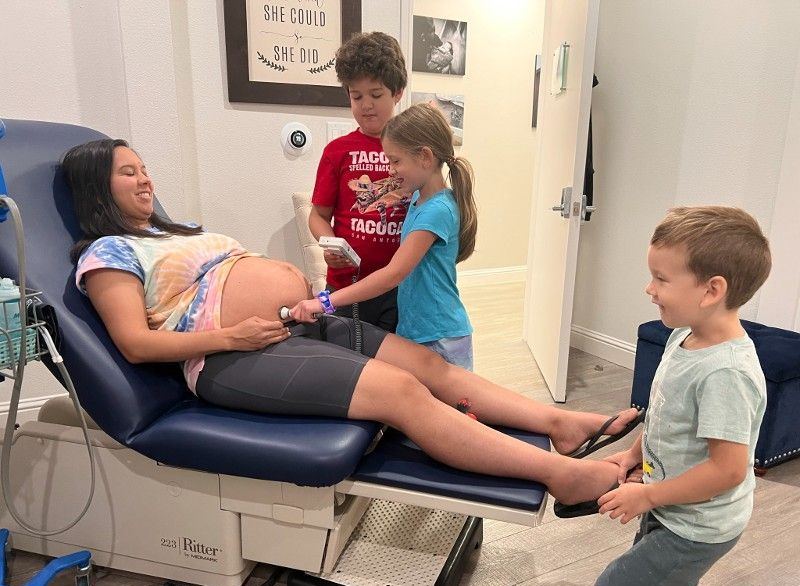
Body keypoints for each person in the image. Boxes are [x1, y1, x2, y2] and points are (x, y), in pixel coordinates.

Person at [61, 137, 644, 508]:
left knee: (428, 365)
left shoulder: (174, 230)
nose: (145, 180)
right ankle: (557, 474)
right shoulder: (107, 253)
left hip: (294, 324)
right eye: (127, 173)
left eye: (144, 168)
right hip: (230, 356)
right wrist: (232, 335)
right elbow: (136, 344)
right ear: (97, 189)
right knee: (402, 391)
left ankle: (561, 424)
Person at [594, 206, 771, 586]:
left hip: (697, 525)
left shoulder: (726, 373)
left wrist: (650, 495)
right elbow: (664, 413)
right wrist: (633, 455)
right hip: (669, 503)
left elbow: (727, 470)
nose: (649, 288)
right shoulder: (683, 336)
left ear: (711, 290)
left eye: (661, 278)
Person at [291, 103, 477, 370]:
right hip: (415, 329)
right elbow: (367, 197)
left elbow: (393, 275)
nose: (390, 169)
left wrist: (325, 301)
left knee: (457, 409)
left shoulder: (437, 210)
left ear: (425, 156)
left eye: (396, 160)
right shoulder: (417, 198)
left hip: (439, 335)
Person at [309, 31, 408, 333]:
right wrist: (331, 244)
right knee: (347, 364)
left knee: (395, 368)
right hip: (345, 285)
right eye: (356, 96)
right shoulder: (337, 151)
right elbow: (318, 215)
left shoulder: (415, 150)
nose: (366, 105)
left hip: (402, 287)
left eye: (376, 95)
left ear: (398, 92)